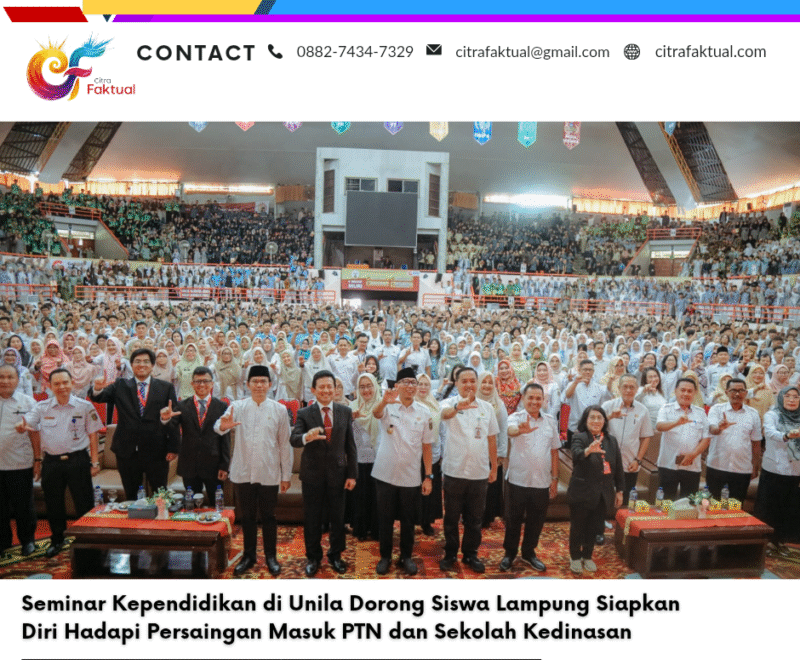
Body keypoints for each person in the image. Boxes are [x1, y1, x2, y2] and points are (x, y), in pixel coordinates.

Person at [213, 365, 292, 576]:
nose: (258, 385)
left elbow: (285, 444)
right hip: (243, 471)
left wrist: (286, 476)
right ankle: (248, 556)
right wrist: (224, 426)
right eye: (254, 381)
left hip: (269, 472)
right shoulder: (237, 406)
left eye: (263, 381)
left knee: (269, 517)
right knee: (247, 517)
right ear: (247, 385)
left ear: (270, 385)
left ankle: (271, 556)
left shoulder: (279, 410)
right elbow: (217, 427)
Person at [18, 368, 103, 558]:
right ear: (49, 386)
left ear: (72, 383)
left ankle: (86, 541)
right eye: (56, 383)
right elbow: (29, 422)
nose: (61, 387)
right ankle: (57, 540)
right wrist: (23, 425)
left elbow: (93, 434)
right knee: (53, 503)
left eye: (65, 382)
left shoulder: (84, 406)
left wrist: (95, 462)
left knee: (84, 502)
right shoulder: (42, 407)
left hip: (78, 460)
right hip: (52, 463)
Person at [289, 370, 357, 577]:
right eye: (322, 387)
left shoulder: (345, 411)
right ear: (313, 390)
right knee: (312, 519)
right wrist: (306, 437)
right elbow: (294, 439)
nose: (327, 390)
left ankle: (335, 556)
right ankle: (313, 558)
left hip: (338, 474)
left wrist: (352, 475)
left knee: (338, 518)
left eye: (330, 386)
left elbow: (350, 446)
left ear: (335, 389)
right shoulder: (304, 413)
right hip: (312, 475)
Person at [89, 348, 179, 501]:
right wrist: (97, 389)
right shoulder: (120, 385)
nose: (141, 365)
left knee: (160, 496)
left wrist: (173, 447)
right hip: (127, 451)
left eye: (146, 362)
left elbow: (173, 417)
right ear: (131, 365)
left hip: (157, 450)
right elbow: (100, 397)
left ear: (152, 365)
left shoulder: (165, 387)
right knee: (132, 496)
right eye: (137, 361)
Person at [370, 367, 434, 575]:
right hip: (385, 473)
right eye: (405, 382)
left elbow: (427, 447)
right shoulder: (389, 406)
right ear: (397, 386)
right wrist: (384, 401)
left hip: (410, 475)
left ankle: (406, 556)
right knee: (384, 517)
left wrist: (428, 476)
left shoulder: (425, 413)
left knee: (408, 520)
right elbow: (376, 413)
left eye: (413, 382)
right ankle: (385, 556)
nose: (410, 386)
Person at [439, 367, 499, 574]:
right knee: (452, 517)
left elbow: (492, 438)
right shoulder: (448, 404)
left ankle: (471, 553)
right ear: (456, 384)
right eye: (463, 381)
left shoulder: (487, 408)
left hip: (479, 472)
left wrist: (494, 467)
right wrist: (458, 406)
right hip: (454, 470)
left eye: (472, 380)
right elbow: (444, 415)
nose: (468, 384)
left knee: (475, 518)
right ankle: (450, 553)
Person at [500, 382, 560, 572]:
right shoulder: (514, 418)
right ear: (523, 399)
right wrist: (520, 430)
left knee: (536, 521)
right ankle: (509, 553)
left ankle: (528, 552)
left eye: (538, 398)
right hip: (517, 480)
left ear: (543, 400)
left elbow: (554, 452)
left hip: (541, 482)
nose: (534, 401)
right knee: (513, 520)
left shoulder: (550, 421)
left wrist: (555, 479)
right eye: (530, 398)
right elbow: (510, 431)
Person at [160, 366, 230, 504]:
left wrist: (224, 465)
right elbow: (171, 427)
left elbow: (225, 438)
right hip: (189, 465)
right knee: (192, 505)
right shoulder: (182, 406)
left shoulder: (221, 406)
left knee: (216, 504)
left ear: (212, 384)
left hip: (214, 465)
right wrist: (165, 419)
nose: (202, 385)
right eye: (198, 381)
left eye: (205, 381)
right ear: (192, 384)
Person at [567, 405, 624, 575]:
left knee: (594, 526)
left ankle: (587, 555)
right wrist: (588, 450)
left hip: (602, 493)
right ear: (586, 420)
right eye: (592, 417)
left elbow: (618, 467)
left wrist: (620, 490)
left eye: (599, 417)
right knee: (578, 526)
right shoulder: (580, 437)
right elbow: (576, 455)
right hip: (582, 491)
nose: (596, 421)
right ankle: (575, 557)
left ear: (604, 421)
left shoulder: (611, 440)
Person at [755, 386, 800, 553]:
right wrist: (787, 436)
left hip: (795, 470)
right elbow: (770, 433)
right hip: (774, 468)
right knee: (769, 506)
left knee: (788, 507)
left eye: (796, 396)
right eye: (787, 396)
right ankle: (765, 541)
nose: (792, 400)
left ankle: (780, 540)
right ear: (781, 398)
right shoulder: (772, 415)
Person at [0, 363, 38, 557]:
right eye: (1, 377)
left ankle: (27, 541)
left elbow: (35, 434)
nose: (5, 381)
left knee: (23, 506)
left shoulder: (28, 402)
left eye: (9, 377)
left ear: (17, 380)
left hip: (19, 463)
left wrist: (38, 459)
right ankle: (2, 542)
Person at [704, 378, 763, 502]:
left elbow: (756, 443)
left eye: (741, 390)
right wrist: (719, 428)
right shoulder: (717, 409)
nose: (737, 394)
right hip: (717, 466)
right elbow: (711, 428)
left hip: (742, 469)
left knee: (736, 508)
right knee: (712, 506)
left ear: (746, 393)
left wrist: (755, 466)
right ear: (726, 392)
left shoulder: (753, 414)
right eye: (733, 390)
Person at [655, 377, 711, 500]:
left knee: (689, 505)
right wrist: (676, 423)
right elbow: (659, 426)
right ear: (676, 391)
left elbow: (706, 438)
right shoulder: (666, 409)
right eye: (683, 390)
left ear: (695, 393)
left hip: (692, 465)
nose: (686, 394)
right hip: (668, 465)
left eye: (690, 391)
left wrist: (693, 454)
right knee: (665, 504)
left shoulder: (700, 413)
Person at [602, 374, 653, 506]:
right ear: (619, 388)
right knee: (604, 497)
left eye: (632, 387)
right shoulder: (607, 406)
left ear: (637, 389)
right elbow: (594, 428)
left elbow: (646, 437)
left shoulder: (643, 410)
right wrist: (610, 416)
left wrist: (638, 460)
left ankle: (621, 525)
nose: (628, 390)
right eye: (625, 387)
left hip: (630, 463)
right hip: (607, 461)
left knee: (625, 500)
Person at [348, 372, 381, 541]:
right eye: (362, 387)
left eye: (369, 386)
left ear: (375, 386)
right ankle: (361, 529)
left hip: (379, 460)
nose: (366, 390)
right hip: (358, 460)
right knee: (360, 496)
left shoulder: (382, 407)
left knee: (377, 497)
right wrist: (351, 417)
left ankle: (376, 529)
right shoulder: (352, 407)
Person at [563, 359, 611, 445]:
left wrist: (610, 381)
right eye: (585, 370)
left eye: (590, 370)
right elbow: (567, 395)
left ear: (593, 371)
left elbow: (608, 395)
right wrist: (575, 382)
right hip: (575, 428)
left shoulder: (598, 387)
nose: (588, 372)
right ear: (579, 370)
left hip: (592, 429)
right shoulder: (573, 384)